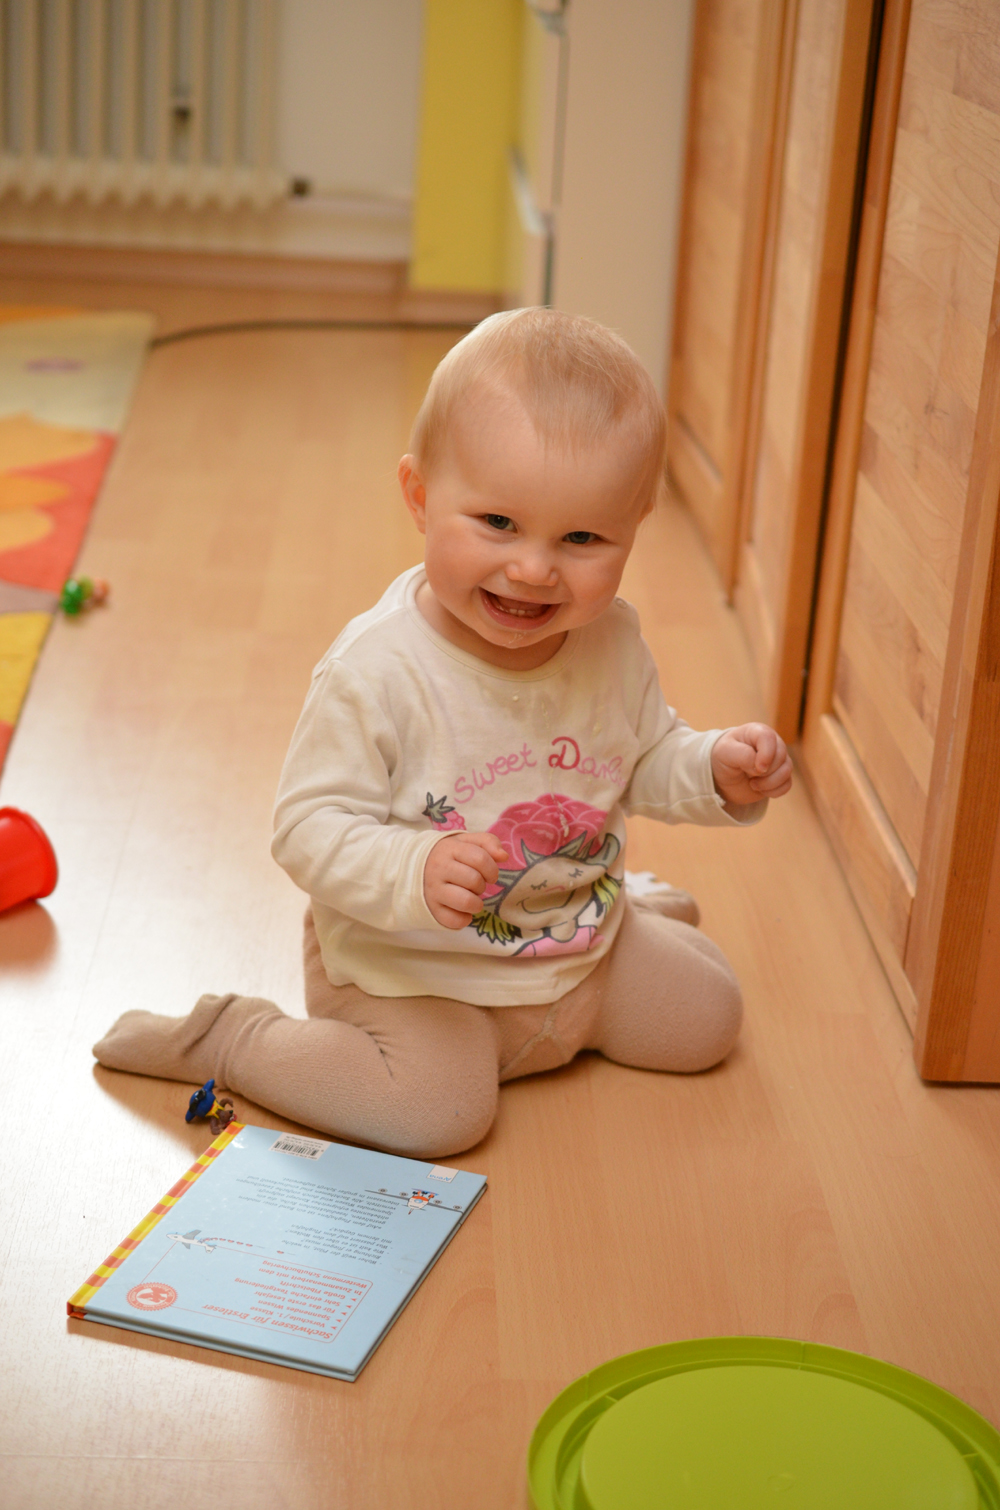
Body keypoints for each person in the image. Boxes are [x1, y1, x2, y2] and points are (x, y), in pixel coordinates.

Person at [94, 309, 792, 1158]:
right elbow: (306, 830)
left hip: (576, 949)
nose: (533, 568)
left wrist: (712, 768)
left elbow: (640, 758)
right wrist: (414, 869)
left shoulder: (609, 642)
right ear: (421, 497)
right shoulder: (377, 671)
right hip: (416, 976)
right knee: (441, 1114)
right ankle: (233, 1039)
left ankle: (630, 907)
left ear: (635, 524)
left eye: (581, 538)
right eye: (497, 523)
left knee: (710, 1017)